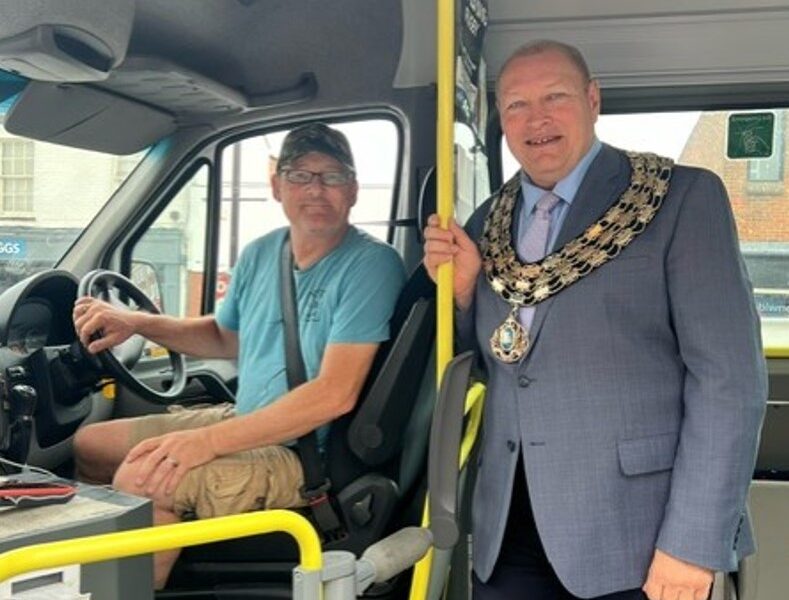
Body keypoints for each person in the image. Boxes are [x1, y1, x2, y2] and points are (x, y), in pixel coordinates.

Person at [424, 40, 767, 600]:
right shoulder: (488, 221)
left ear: (592, 99)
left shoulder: (678, 199)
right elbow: (493, 364)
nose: (536, 119)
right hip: (508, 531)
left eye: (554, 97)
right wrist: (464, 296)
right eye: (515, 105)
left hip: (637, 535)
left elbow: (730, 382)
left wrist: (693, 544)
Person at [73, 122, 406, 589]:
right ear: (276, 185)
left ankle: (135, 583)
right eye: (299, 175)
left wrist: (206, 444)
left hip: (305, 451)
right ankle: (96, 571)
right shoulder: (261, 253)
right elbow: (225, 337)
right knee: (91, 445)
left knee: (143, 477)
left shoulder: (370, 264)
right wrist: (135, 322)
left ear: (352, 190)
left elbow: (334, 395)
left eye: (331, 177)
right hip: (250, 417)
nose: (316, 189)